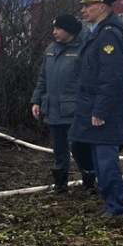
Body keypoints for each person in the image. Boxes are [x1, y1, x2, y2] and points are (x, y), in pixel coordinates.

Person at [69, 0, 123, 217]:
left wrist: (101, 110)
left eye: (88, 5)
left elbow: (111, 76)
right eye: (82, 6)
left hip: (102, 108)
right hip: (89, 105)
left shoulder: (107, 35)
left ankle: (116, 207)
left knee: (106, 160)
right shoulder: (95, 32)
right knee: (87, 153)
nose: (83, 10)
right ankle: (110, 204)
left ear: (102, 7)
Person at [30, 14, 96, 193]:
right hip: (52, 108)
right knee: (59, 149)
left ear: (69, 30)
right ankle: (60, 184)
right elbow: (42, 78)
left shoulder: (84, 49)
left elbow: (90, 81)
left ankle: (89, 183)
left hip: (74, 109)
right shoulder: (51, 49)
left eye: (58, 29)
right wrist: (36, 99)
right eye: (54, 28)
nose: (54, 32)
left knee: (80, 147)